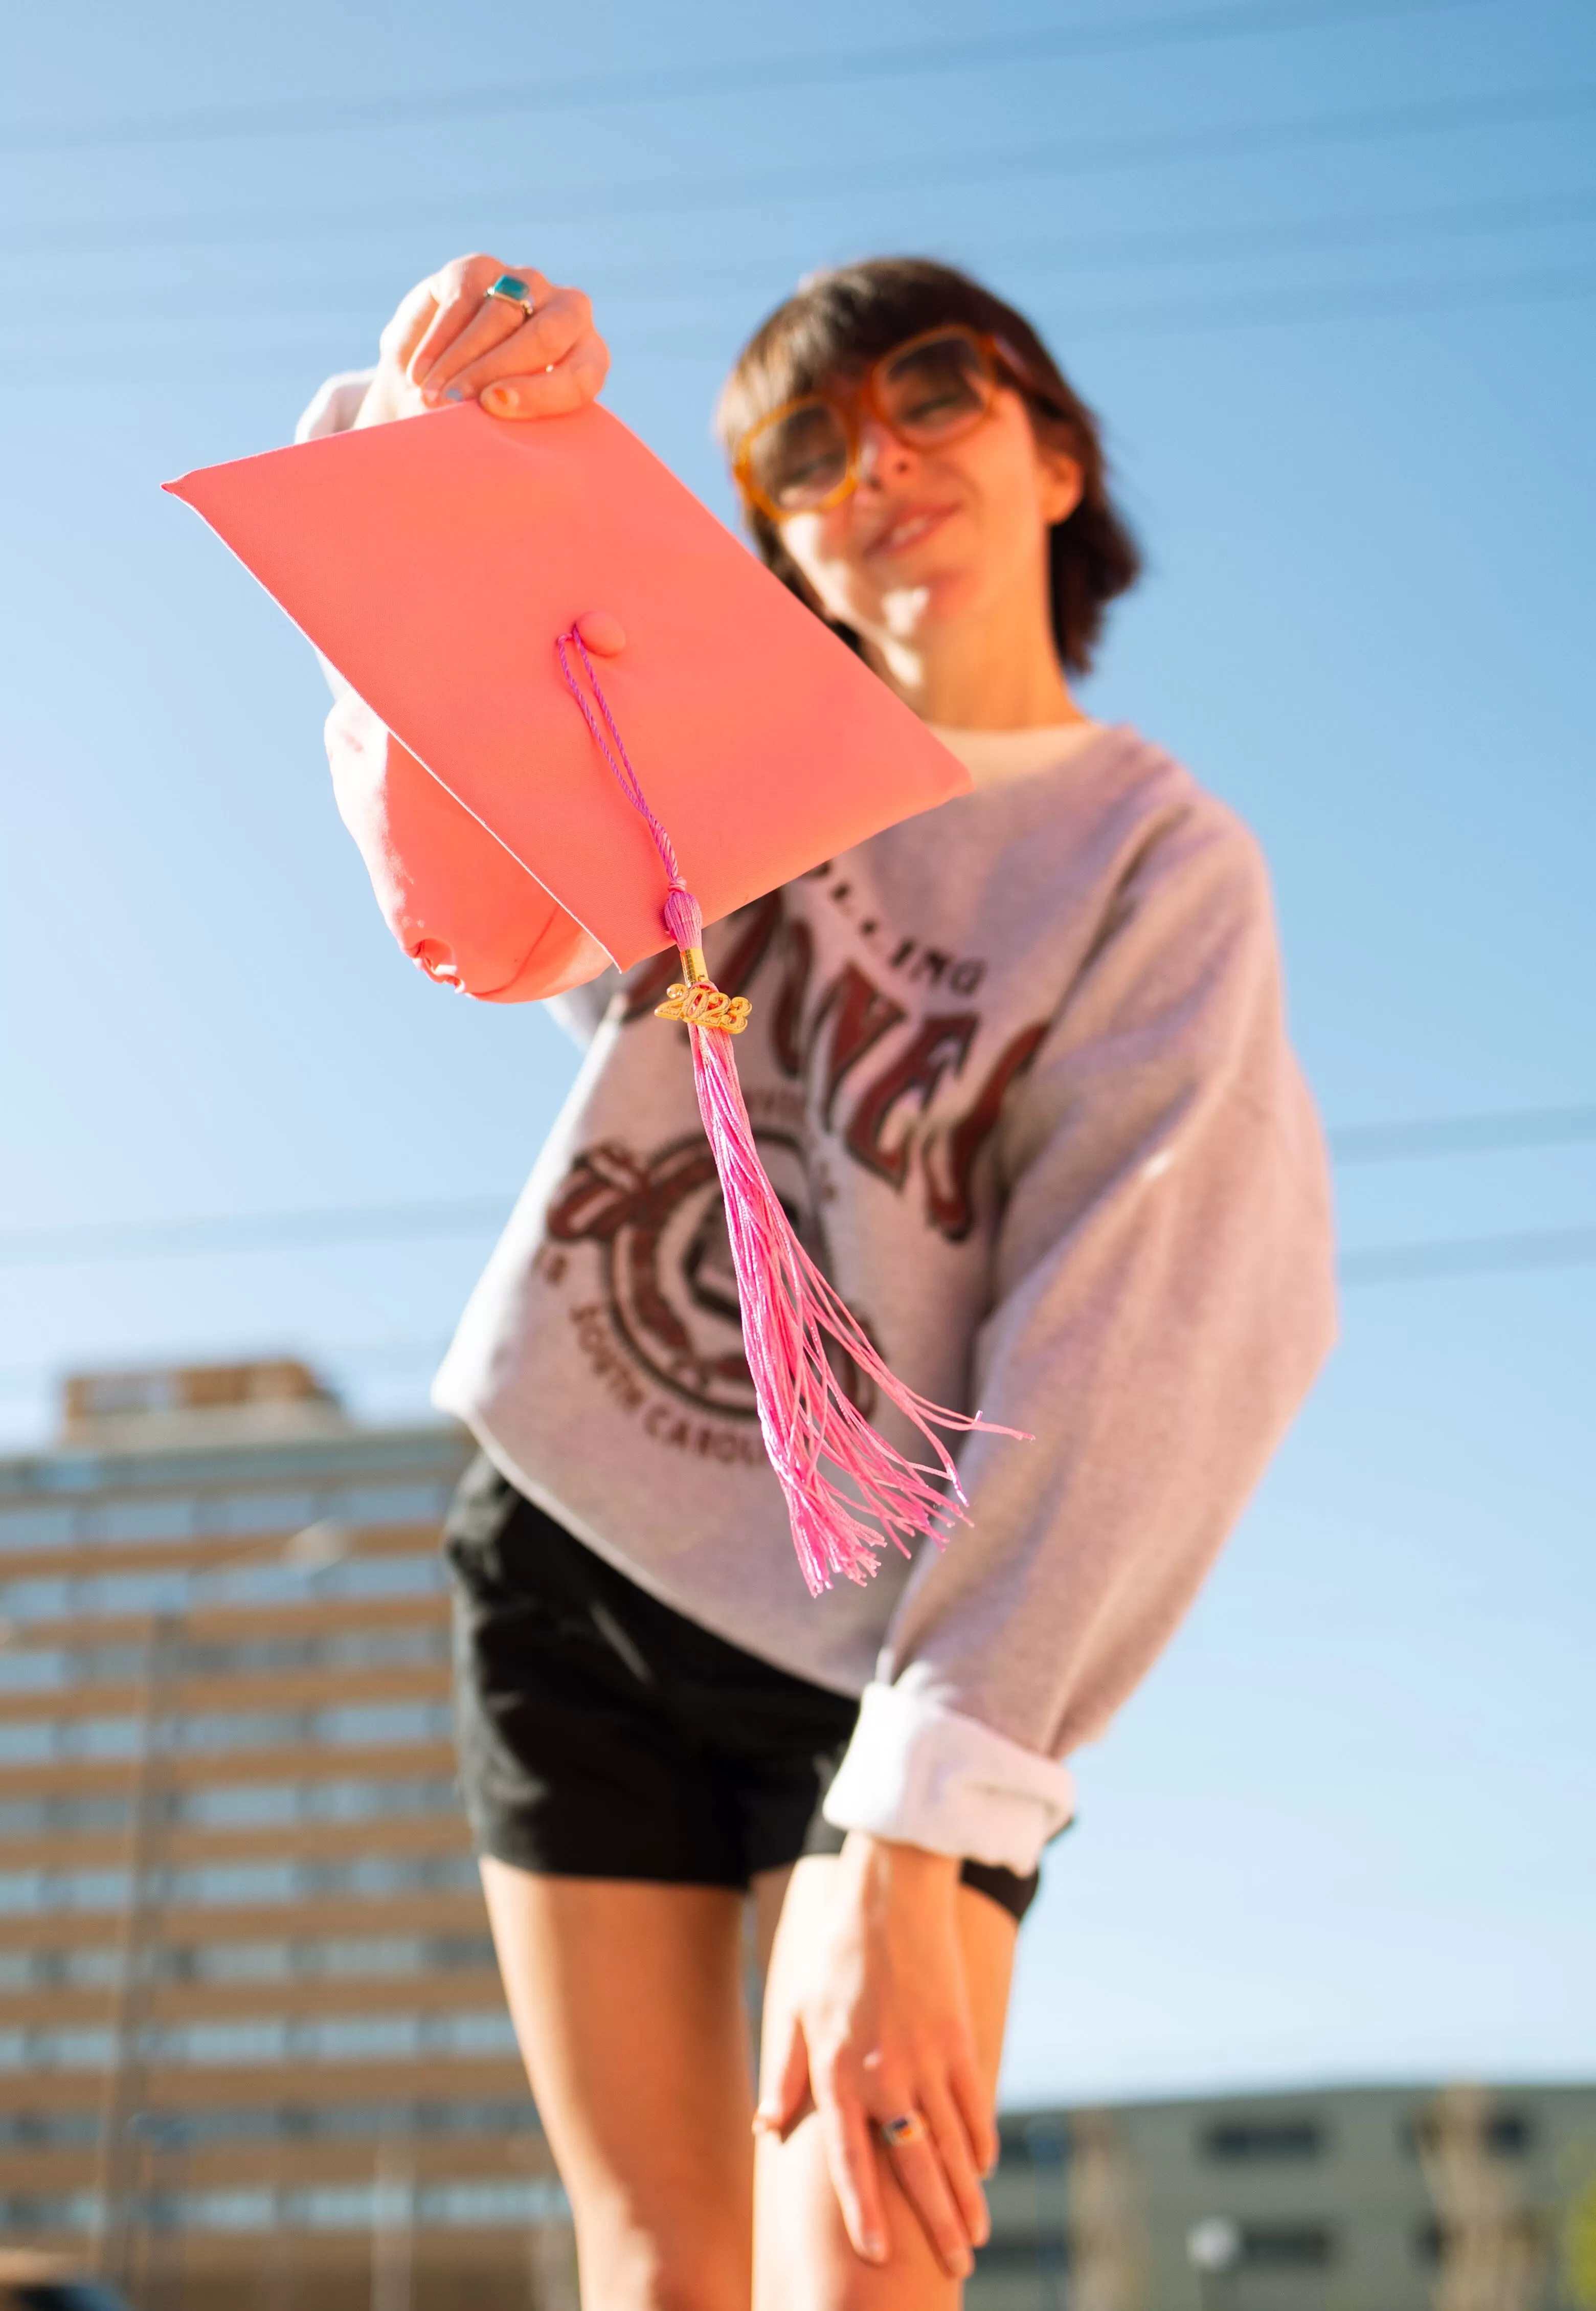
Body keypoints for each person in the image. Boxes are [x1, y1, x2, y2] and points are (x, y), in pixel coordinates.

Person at [299, 251, 1337, 2311]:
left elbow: (1132, 1344)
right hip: (581, 1533)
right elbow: (480, 900)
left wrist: (915, 1825)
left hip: (897, 1633)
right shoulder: (731, 753)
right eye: (800, 445)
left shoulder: (1155, 864)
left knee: (859, 2274)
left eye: (934, 393)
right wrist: (464, 467)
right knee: (662, 2266)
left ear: (1058, 454)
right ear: (767, 533)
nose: (874, 461)